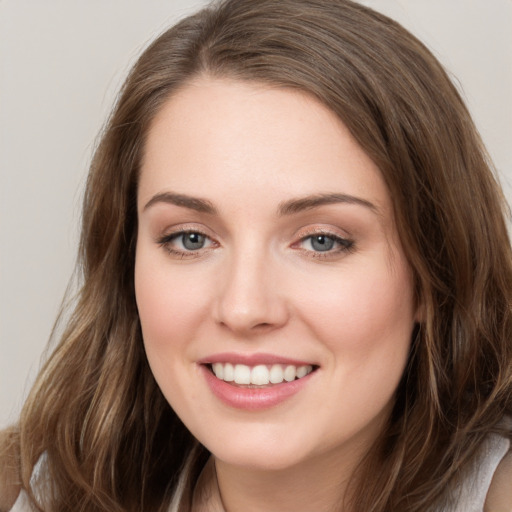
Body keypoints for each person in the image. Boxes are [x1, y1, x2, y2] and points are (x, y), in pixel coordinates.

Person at [1, 0, 511, 510]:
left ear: (436, 273)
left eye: (321, 240)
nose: (243, 309)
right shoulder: (42, 490)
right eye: (190, 239)